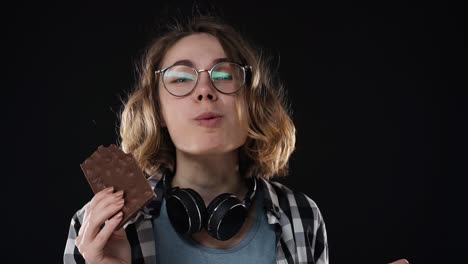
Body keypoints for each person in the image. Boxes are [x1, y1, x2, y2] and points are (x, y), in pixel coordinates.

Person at [63, 15, 407, 264]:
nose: (205, 91)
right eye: (181, 79)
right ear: (159, 112)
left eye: (224, 75)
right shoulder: (98, 228)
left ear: (251, 103)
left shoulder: (302, 216)